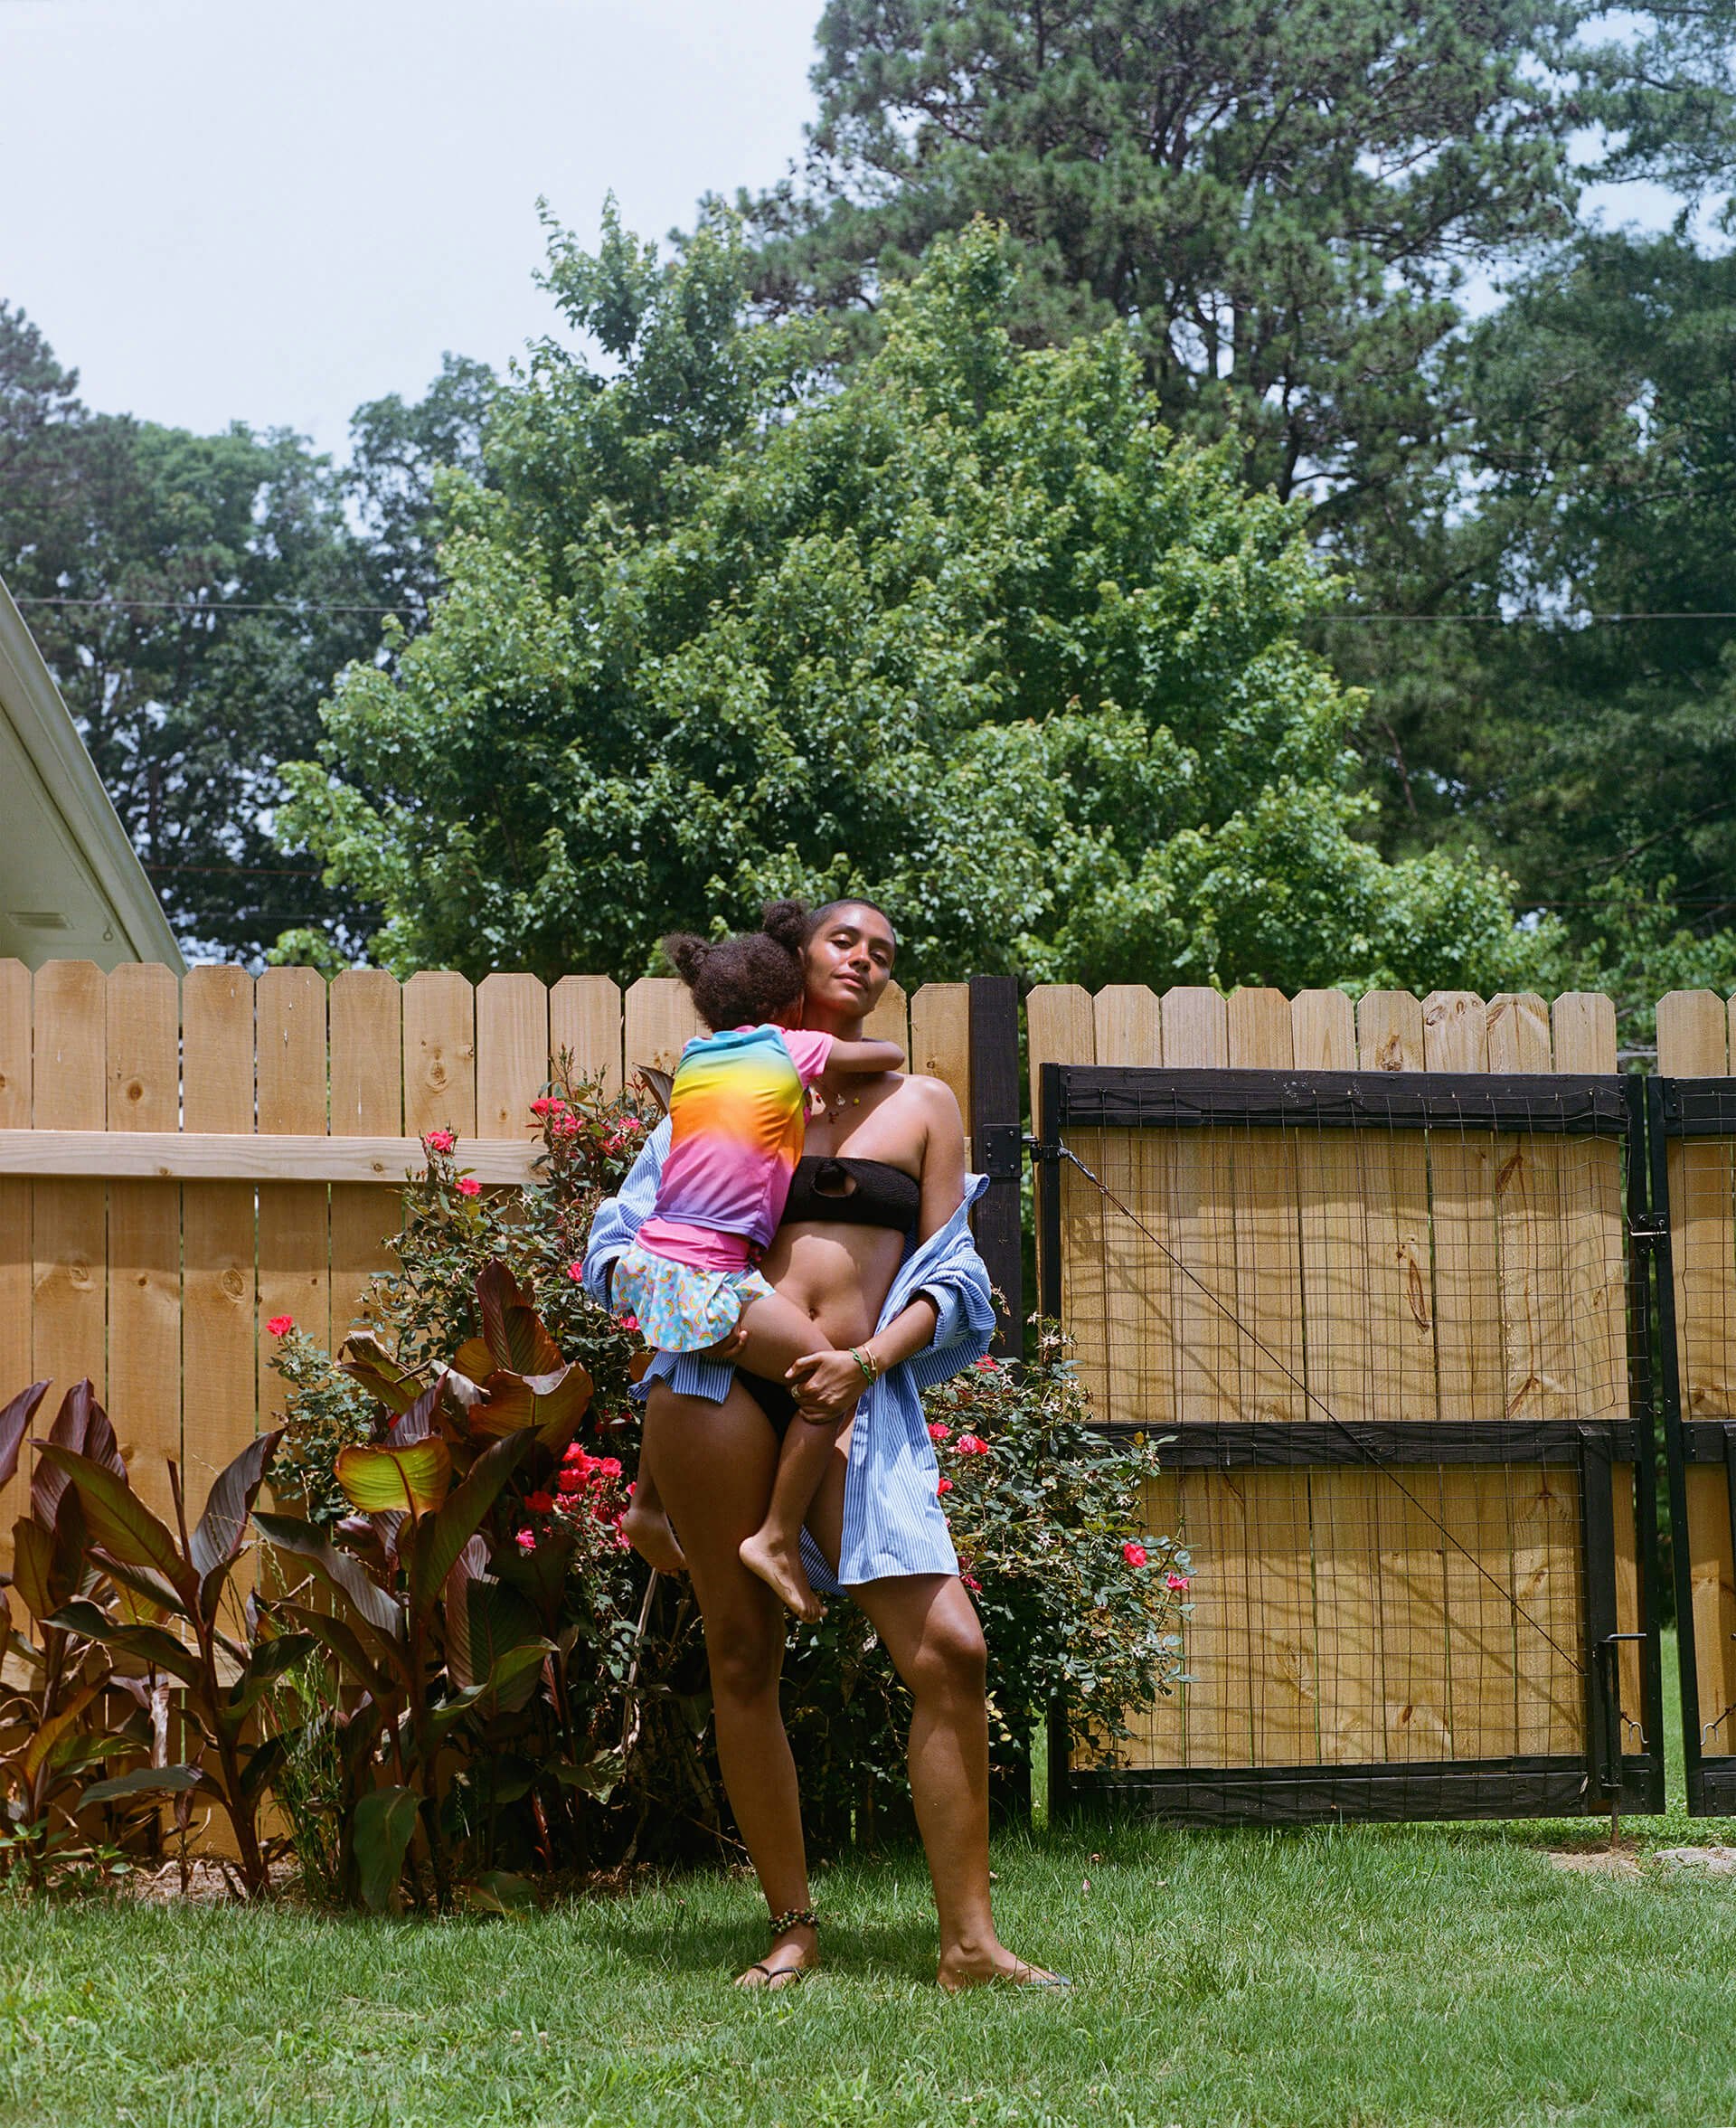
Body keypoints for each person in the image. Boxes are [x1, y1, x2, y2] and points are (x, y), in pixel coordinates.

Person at [584, 897, 1069, 1993]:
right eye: (846, 939)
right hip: (714, 1380)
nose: (866, 957)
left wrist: (865, 1359)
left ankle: (970, 1944)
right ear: (794, 957)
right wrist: (715, 1300)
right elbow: (624, 1244)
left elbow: (956, 1279)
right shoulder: (729, 1086)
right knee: (742, 1654)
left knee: (951, 1650)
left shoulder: (921, 1105)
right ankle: (793, 1923)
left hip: (855, 1397)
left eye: (886, 952)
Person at [613, 900, 904, 1621]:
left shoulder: (694, 1059)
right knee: (827, 1380)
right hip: (715, 1270)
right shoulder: (782, 1046)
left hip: (653, 1263)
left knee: (675, 1353)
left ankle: (647, 1507)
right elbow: (884, 1057)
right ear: (787, 997)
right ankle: (775, 1537)